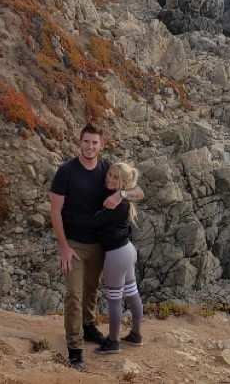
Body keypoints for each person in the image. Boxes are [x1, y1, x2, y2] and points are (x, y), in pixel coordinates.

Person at [50, 124, 143, 370]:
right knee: (74, 294)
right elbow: (55, 211)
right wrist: (63, 247)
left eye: (95, 143)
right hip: (74, 245)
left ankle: (88, 326)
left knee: (91, 290)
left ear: (101, 145)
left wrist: (121, 195)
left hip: (100, 246)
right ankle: (75, 349)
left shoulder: (107, 168)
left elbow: (139, 191)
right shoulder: (66, 171)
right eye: (86, 142)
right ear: (79, 142)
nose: (90, 147)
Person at [61, 162, 144, 355]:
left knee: (114, 299)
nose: (110, 179)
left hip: (116, 254)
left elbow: (93, 222)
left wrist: (67, 215)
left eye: (116, 177)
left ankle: (113, 342)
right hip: (127, 250)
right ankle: (136, 335)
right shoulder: (119, 198)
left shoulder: (118, 204)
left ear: (124, 183)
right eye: (110, 174)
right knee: (132, 293)